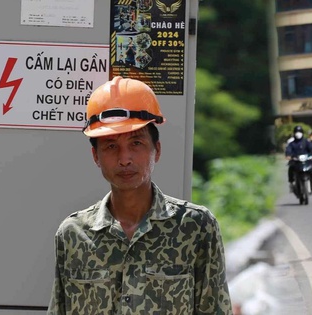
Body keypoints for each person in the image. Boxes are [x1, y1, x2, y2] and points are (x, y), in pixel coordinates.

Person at [46, 76, 233, 315]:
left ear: (157, 151)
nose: (124, 159)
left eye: (136, 143)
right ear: (96, 156)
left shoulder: (196, 228)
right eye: (111, 146)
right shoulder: (73, 234)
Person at [285, 125, 312, 192]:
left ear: (302, 133)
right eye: (296, 132)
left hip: (306, 160)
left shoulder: (306, 142)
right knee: (290, 168)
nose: (298, 133)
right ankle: (291, 184)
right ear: (294, 133)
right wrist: (289, 155)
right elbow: (288, 150)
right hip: (296, 161)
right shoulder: (292, 143)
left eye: (299, 132)